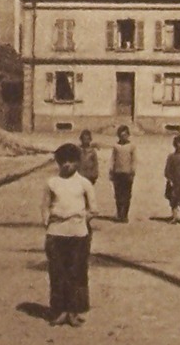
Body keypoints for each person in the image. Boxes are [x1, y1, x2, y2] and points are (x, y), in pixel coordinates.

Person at [41, 142, 97, 327]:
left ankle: (73, 312)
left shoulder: (84, 183)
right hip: (56, 234)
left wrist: (80, 221)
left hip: (78, 235)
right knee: (57, 273)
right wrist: (47, 223)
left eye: (71, 161)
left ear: (77, 163)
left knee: (76, 273)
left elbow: (93, 209)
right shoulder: (52, 183)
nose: (67, 165)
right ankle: (59, 311)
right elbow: (45, 206)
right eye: (63, 161)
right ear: (58, 162)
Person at [109, 125, 137, 222]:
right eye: (121, 135)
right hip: (117, 173)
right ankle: (119, 213)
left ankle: (125, 215)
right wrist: (111, 170)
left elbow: (134, 160)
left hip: (127, 173)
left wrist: (132, 172)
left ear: (128, 135)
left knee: (127, 195)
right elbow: (113, 159)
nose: (123, 137)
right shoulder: (116, 146)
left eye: (125, 135)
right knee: (118, 195)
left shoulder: (131, 146)